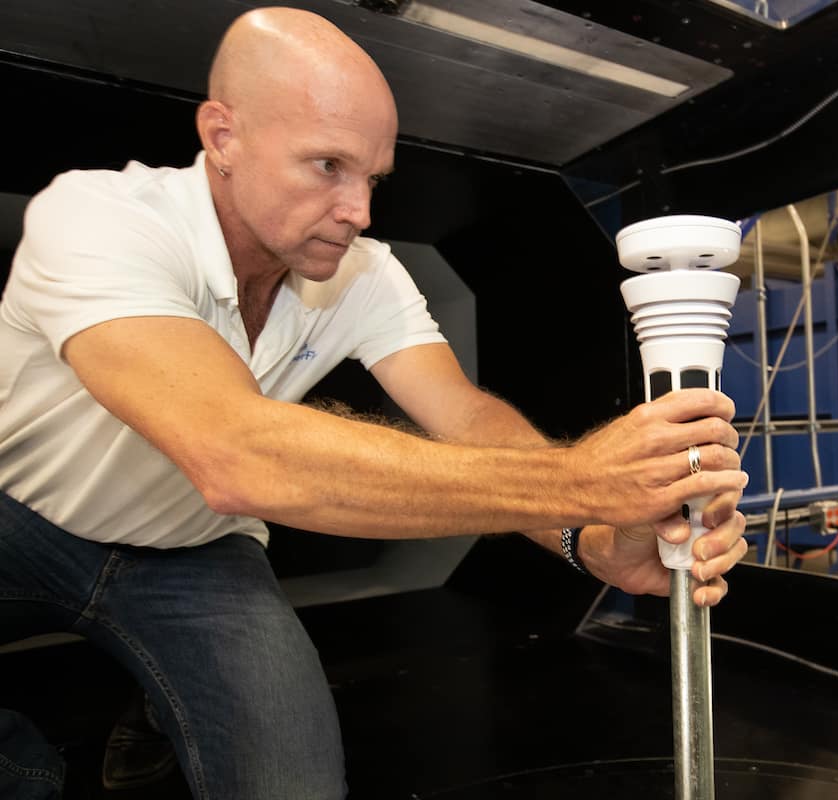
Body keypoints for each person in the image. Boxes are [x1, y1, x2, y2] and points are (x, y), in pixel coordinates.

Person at [0, 7, 749, 799]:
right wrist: (583, 482)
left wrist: (590, 538)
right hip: (20, 523)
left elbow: (463, 418)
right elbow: (235, 452)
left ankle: (162, 693)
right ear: (222, 136)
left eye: (372, 179)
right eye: (327, 165)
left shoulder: (363, 270)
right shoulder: (99, 218)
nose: (358, 210)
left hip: (196, 556)